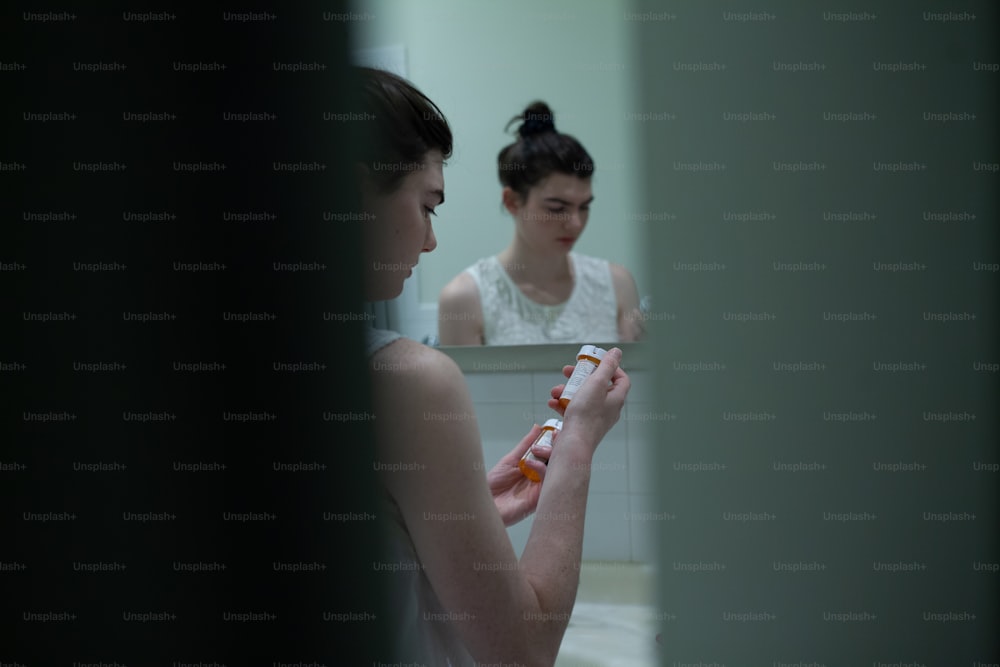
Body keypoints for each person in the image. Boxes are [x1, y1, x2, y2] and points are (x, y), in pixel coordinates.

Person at [353, 67, 631, 666]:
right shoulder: (411, 378)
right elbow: (523, 653)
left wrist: (452, 509)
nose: (429, 241)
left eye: (585, 207)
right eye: (427, 206)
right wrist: (578, 442)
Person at [438, 101, 643, 345]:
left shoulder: (617, 284)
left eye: (584, 206)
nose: (576, 223)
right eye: (557, 208)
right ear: (512, 201)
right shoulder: (465, 298)